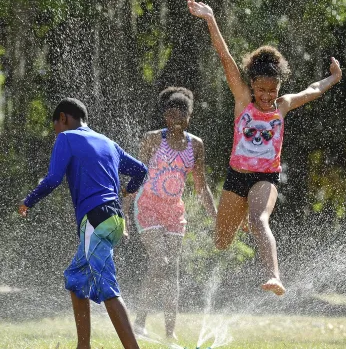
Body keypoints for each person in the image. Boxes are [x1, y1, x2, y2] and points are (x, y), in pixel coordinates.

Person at [187, 0, 342, 296]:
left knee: (259, 220)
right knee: (221, 241)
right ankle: (240, 214)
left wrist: (333, 79)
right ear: (252, 85)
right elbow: (225, 57)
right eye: (261, 89)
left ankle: (274, 276)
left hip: (265, 178)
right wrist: (210, 18)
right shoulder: (243, 100)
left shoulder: (282, 106)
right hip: (236, 176)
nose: (267, 96)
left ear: (279, 87)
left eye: (272, 90)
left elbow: (312, 90)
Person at [18, 98, 147, 349]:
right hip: (114, 218)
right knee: (76, 279)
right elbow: (141, 170)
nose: (56, 133)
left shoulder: (66, 138)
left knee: (108, 286)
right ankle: (83, 346)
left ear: (63, 118)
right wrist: (127, 191)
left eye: (56, 126)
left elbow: (53, 178)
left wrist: (28, 201)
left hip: (95, 219)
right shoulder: (109, 143)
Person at [123, 86, 217, 340]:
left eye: (181, 118)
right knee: (160, 261)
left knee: (171, 269)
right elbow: (136, 176)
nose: (175, 123)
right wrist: (123, 212)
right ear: (165, 117)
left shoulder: (195, 145)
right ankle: (139, 323)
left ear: (189, 117)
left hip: (174, 211)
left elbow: (201, 185)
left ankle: (169, 332)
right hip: (148, 206)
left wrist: (216, 218)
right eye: (170, 117)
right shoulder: (153, 139)